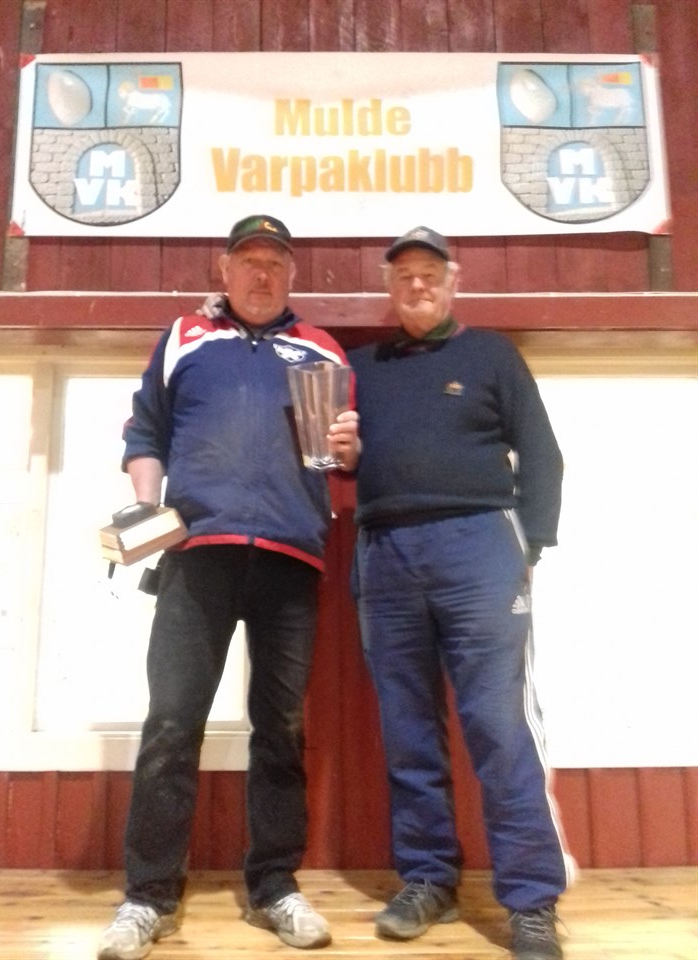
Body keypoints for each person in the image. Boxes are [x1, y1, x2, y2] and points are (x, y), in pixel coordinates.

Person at [97, 215, 356, 960]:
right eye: (249, 260)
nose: (262, 273)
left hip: (290, 561)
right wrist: (145, 507)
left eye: (276, 261)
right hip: (197, 556)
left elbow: (338, 459)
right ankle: (147, 897)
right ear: (225, 269)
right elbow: (145, 432)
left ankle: (275, 886)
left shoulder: (322, 349)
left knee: (282, 729)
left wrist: (348, 451)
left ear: (292, 274)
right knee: (171, 725)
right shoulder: (184, 338)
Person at [329, 226, 575, 960]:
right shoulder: (359, 368)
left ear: (453, 281)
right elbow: (340, 458)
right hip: (386, 553)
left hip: (478, 549)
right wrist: (346, 457)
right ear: (388, 285)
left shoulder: (492, 355)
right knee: (408, 730)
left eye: (429, 274)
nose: (417, 285)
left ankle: (531, 901)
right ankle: (429, 878)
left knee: (499, 726)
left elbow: (543, 454)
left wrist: (531, 546)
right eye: (403, 274)